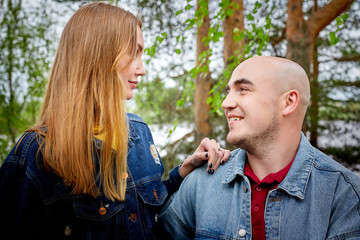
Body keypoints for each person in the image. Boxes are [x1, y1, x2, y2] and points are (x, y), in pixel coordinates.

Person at [0, 2, 229, 240]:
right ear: (99, 54)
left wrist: (186, 169)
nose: (143, 69)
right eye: (134, 52)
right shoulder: (37, 152)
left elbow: (151, 214)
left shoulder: (139, 133)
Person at [157, 56, 360, 240]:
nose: (225, 103)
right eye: (229, 91)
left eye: (243, 89)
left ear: (289, 102)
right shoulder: (201, 182)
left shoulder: (343, 195)